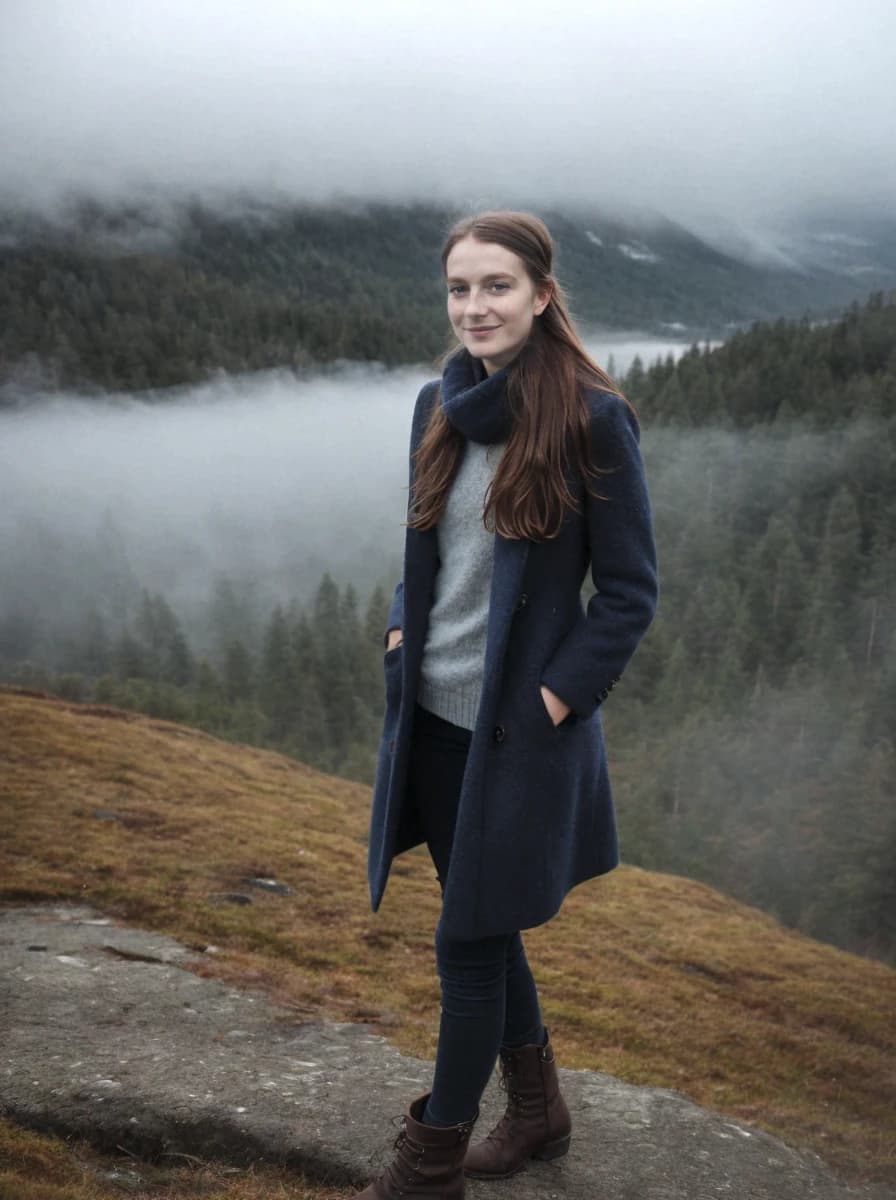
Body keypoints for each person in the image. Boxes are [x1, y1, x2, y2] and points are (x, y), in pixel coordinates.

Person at [353, 211, 658, 1199]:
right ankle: (537, 1112)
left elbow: (628, 593)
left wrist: (552, 704)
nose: (473, 306)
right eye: (458, 288)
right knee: (479, 919)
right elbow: (424, 552)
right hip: (431, 725)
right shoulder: (434, 405)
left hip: (516, 739)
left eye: (494, 286)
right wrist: (403, 629)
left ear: (540, 294)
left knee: (465, 946)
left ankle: (431, 1157)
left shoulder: (590, 420)